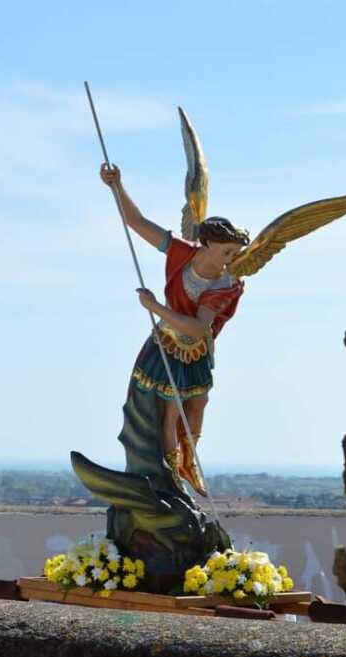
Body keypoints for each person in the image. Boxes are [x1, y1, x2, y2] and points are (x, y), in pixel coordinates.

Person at [100, 162, 248, 497]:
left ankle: (189, 460)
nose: (229, 260)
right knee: (170, 408)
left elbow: (198, 328)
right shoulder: (182, 252)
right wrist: (117, 187)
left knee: (198, 403)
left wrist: (154, 308)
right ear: (206, 243)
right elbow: (136, 223)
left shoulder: (224, 284)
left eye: (234, 254)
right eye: (226, 251)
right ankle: (170, 472)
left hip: (193, 346)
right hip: (166, 343)